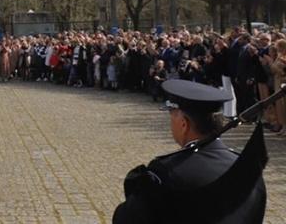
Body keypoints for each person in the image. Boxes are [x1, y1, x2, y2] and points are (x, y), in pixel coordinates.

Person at [113, 79, 267, 223]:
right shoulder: (246, 166)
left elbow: (126, 219)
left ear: (183, 124)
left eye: (171, 117)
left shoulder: (166, 172)